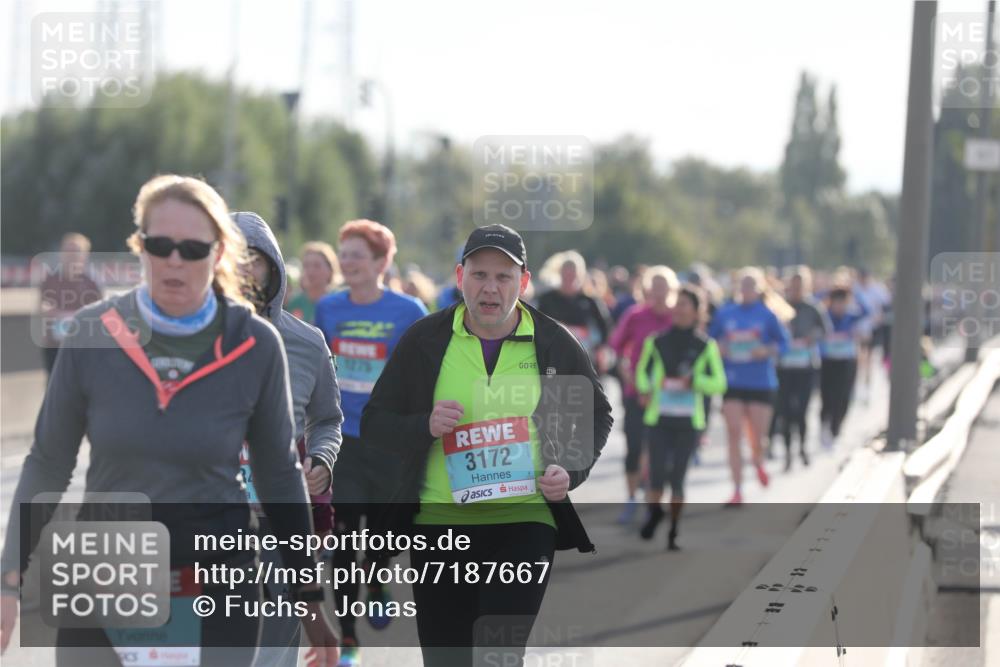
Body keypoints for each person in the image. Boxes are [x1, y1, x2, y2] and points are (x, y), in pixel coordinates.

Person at [0, 175, 339, 666]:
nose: (175, 259)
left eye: (192, 247)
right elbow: (48, 462)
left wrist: (309, 601)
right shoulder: (95, 332)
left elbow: (280, 477)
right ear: (140, 248)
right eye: (160, 245)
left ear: (218, 254)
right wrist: (10, 577)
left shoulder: (257, 346)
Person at [360, 224, 614, 667]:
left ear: (525, 282)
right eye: (480, 275)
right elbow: (375, 422)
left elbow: (596, 415)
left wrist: (569, 472)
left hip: (524, 521)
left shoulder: (553, 342)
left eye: (503, 277)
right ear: (460, 277)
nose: (490, 288)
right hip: (440, 524)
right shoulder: (426, 340)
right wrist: (425, 425)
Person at [313, 219, 428, 665]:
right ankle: (346, 635)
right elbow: (320, 368)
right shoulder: (329, 308)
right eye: (344, 254)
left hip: (390, 442)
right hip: (344, 440)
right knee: (342, 537)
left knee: (386, 532)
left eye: (357, 254)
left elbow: (424, 371)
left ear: (382, 262)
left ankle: (377, 578)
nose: (348, 262)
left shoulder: (409, 311)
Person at [234, 211, 344, 667]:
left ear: (274, 269)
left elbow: (328, 419)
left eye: (254, 260)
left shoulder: (307, 342)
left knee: (274, 650)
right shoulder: (187, 342)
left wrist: (321, 457)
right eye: (232, 258)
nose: (243, 270)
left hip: (282, 524)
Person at [635, 285, 726, 550]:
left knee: (678, 478)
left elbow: (719, 383)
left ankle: (674, 530)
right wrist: (648, 387)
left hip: (689, 421)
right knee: (656, 476)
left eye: (686, 304)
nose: (679, 308)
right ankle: (654, 513)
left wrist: (695, 381)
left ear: (697, 311)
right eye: (678, 303)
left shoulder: (705, 345)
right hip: (659, 418)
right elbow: (642, 372)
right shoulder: (657, 341)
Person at [709, 268, 790, 506]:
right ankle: (737, 489)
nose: (745, 291)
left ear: (759, 289)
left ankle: (758, 461)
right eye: (742, 286)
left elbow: (783, 343)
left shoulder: (767, 315)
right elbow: (709, 341)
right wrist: (718, 348)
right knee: (734, 433)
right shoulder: (725, 313)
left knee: (757, 435)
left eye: (750, 286)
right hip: (732, 381)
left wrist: (765, 350)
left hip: (760, 382)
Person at [608, 266, 676, 522]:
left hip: (668, 397)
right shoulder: (635, 316)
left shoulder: (676, 318)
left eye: (663, 287)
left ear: (671, 290)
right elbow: (616, 347)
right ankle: (631, 499)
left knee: (661, 450)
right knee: (635, 447)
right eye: (654, 287)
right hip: (636, 392)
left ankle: (653, 500)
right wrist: (629, 376)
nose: (659, 293)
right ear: (646, 289)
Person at [774, 267, 830, 471]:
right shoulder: (780, 306)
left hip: (806, 366)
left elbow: (825, 330)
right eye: (793, 285)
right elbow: (770, 331)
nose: (796, 289)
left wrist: (810, 338)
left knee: (803, 410)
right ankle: (788, 452)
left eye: (800, 285)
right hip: (784, 366)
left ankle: (803, 448)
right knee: (785, 411)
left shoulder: (813, 307)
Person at [37, 232, 103, 376]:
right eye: (68, 251)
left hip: (83, 345)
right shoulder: (50, 280)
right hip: (54, 345)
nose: (71, 256)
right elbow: (42, 306)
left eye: (76, 251)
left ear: (85, 255)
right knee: (54, 386)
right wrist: (54, 313)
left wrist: (77, 317)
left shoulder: (92, 282)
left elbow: (100, 312)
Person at [537, 251, 612, 372]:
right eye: (566, 274)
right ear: (560, 274)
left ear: (580, 275)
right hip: (554, 355)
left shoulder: (591, 301)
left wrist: (601, 350)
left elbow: (605, 327)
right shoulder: (547, 299)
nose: (569, 278)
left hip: (584, 355)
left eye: (573, 274)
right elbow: (537, 325)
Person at [819, 286, 869, 448]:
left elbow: (867, 311)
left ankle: (836, 427)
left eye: (843, 303)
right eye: (836, 303)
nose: (839, 306)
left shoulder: (851, 317)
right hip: (828, 361)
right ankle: (824, 423)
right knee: (827, 396)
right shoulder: (825, 316)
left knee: (844, 396)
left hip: (847, 361)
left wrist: (855, 291)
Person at [286, 241, 341, 323]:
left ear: (330, 270)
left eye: (317, 266)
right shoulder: (295, 302)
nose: (310, 271)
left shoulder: (339, 301)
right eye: (306, 265)